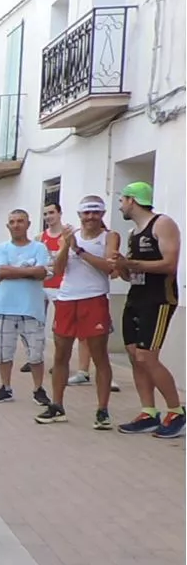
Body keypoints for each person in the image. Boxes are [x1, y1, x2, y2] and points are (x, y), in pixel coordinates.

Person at [37, 195, 118, 428]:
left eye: (95, 212)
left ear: (102, 214)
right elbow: (59, 270)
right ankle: (57, 405)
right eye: (86, 212)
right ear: (79, 215)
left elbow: (109, 267)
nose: (90, 217)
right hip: (66, 299)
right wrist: (66, 245)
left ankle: (102, 410)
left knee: (99, 355)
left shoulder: (109, 236)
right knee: (61, 354)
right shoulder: (70, 237)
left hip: (94, 298)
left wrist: (79, 250)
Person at [114, 182, 183, 437]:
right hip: (136, 297)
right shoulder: (133, 233)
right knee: (134, 355)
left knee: (147, 356)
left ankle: (176, 411)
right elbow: (132, 273)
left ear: (132, 200)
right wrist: (121, 267)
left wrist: (131, 262)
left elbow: (170, 264)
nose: (120, 205)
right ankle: (149, 412)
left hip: (159, 299)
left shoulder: (162, 223)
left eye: (122, 199)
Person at [0, 209, 52, 406]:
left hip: (31, 308)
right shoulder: (1, 248)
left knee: (36, 353)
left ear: (28, 224)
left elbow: (42, 272)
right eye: (12, 222)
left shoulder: (39, 248)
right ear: (8, 226)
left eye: (20, 221)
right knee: (3, 352)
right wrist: (28, 271)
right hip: (4, 308)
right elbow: (0, 270)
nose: (16, 225)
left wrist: (11, 272)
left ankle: (38, 389)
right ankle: (5, 387)